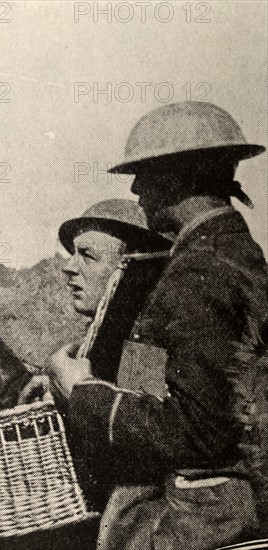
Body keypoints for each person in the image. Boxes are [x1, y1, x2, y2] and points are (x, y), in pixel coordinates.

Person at [0, 198, 171, 549]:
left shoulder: (142, 350)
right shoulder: (106, 341)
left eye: (88, 255)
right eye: (73, 253)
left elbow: (68, 446)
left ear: (128, 268)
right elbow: (41, 409)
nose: (68, 267)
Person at [53, 101, 268, 549]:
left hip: (200, 522)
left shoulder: (200, 272)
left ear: (180, 177)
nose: (135, 188)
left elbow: (198, 429)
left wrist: (84, 393)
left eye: (145, 175)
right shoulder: (236, 253)